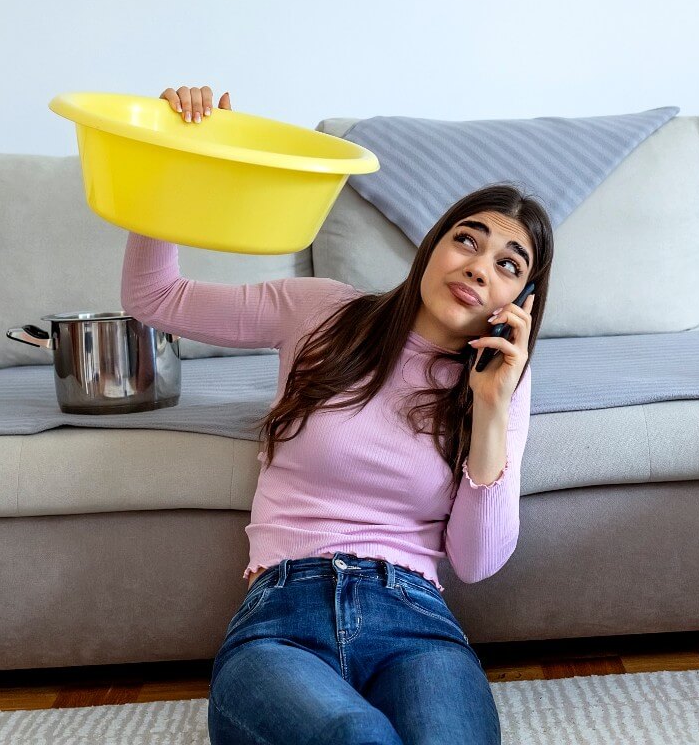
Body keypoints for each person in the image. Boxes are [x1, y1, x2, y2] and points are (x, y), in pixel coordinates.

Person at [126, 86, 553, 745]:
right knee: (356, 737)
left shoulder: (500, 385)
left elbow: (476, 562)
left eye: (506, 264)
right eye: (465, 240)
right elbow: (153, 296)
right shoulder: (321, 311)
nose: (477, 267)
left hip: (417, 625)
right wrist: (172, 150)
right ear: (431, 247)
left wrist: (491, 411)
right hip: (282, 617)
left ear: (519, 299)